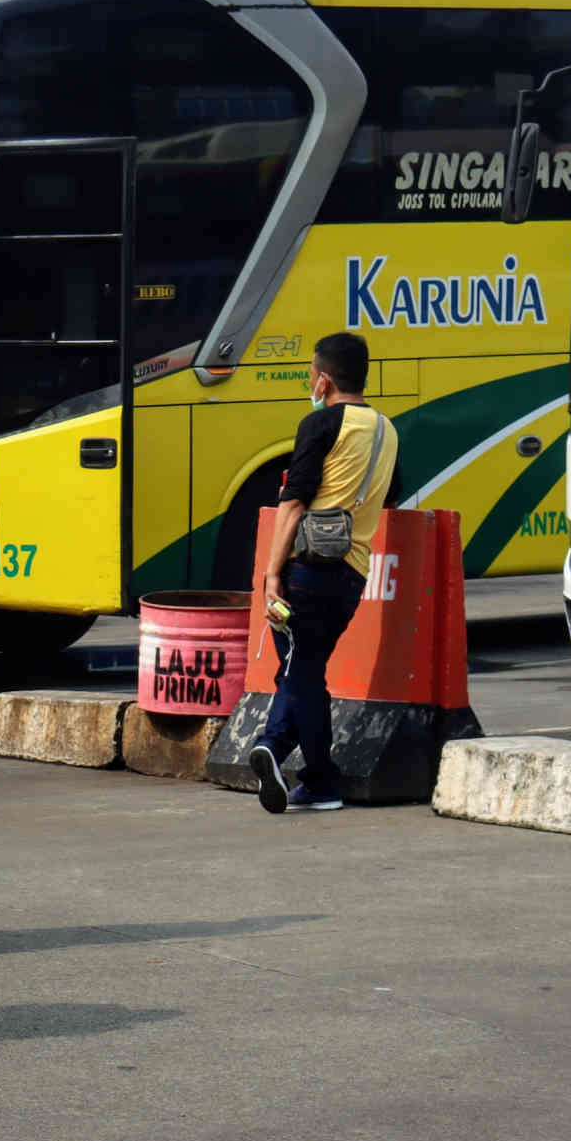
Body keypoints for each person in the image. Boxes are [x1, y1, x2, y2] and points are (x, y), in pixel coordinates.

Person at [249, 331, 398, 815]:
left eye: (312, 374)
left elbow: (292, 504)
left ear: (325, 380)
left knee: (299, 671)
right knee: (306, 671)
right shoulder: (386, 430)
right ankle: (316, 780)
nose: (310, 382)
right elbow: (389, 495)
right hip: (353, 574)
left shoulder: (319, 425)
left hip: (307, 572)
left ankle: (278, 749)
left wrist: (272, 576)